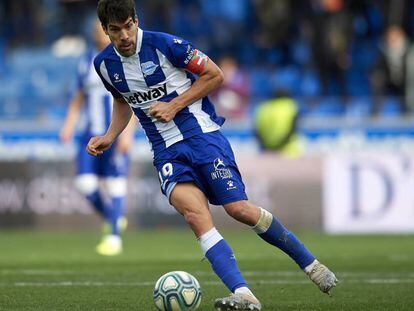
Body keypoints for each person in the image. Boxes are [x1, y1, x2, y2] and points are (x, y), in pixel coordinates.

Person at [87, 0, 338, 309]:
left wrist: (174, 105)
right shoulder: (104, 64)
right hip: (166, 152)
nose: (124, 35)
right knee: (195, 216)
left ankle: (311, 265)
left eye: (128, 26)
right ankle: (244, 295)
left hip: (203, 138)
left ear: (136, 20)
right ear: (105, 30)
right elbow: (123, 101)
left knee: (238, 209)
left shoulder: (166, 45)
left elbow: (214, 75)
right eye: (116, 30)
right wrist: (110, 136)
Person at [60, 20, 136, 256]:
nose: (99, 35)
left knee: (115, 183)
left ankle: (114, 237)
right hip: (89, 134)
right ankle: (112, 217)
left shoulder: (125, 61)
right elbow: (78, 99)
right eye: (96, 31)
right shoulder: (86, 63)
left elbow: (133, 101)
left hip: (115, 132)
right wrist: (68, 125)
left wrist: (128, 134)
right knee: (84, 183)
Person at [254, 90, 303, 158]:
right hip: (288, 151)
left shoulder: (263, 107)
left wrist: (267, 146)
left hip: (267, 151)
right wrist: (279, 146)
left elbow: (256, 130)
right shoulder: (290, 105)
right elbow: (293, 128)